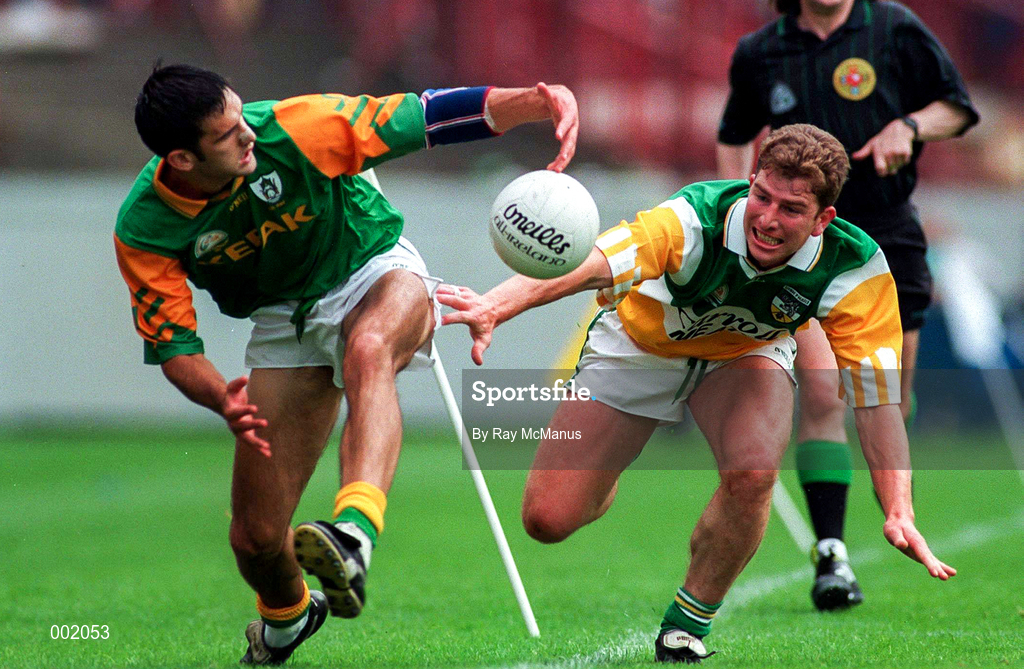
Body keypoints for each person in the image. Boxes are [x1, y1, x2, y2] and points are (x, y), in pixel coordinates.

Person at [115, 63, 578, 665]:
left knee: (369, 350)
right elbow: (175, 347)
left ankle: (354, 533)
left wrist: (542, 102)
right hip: (285, 320)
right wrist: (220, 398)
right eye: (227, 134)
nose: (247, 133)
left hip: (372, 266)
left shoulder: (295, 128)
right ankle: (288, 620)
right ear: (180, 159)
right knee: (256, 541)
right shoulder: (145, 227)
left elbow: (426, 115)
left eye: (241, 114)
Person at [440, 124, 955, 664]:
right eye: (762, 196)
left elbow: (876, 405)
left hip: (744, 354)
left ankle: (687, 625)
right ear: (751, 180)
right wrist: (497, 305)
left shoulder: (856, 270)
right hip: (641, 346)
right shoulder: (692, 218)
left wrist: (898, 508)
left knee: (754, 472)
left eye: (792, 209)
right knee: (547, 521)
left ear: (824, 219)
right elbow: (591, 264)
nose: (768, 219)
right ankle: (605, 473)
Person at [716, 0, 978, 611]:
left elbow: (958, 107)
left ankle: (891, 506)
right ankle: (831, 552)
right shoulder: (762, 51)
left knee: (887, 397)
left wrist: (909, 127)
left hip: (889, 236)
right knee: (827, 392)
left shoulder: (893, 28)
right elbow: (732, 138)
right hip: (806, 244)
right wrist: (739, 216)